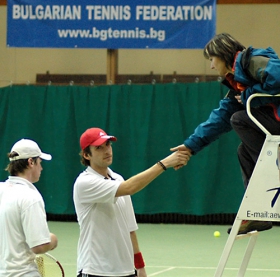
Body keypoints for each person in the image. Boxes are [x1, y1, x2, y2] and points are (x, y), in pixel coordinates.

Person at [171, 33, 280, 235]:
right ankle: (258, 212)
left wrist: (249, 94)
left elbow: (278, 77)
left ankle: (274, 175)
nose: (211, 66)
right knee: (243, 151)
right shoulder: (236, 82)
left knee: (239, 119)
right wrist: (190, 146)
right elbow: (219, 119)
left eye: (212, 59)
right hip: (273, 124)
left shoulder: (253, 61)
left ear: (223, 55)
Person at [73, 127, 190, 277]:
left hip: (126, 271)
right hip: (95, 270)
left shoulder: (117, 178)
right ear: (86, 155)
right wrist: (164, 163)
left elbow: (129, 227)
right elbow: (130, 187)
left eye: (108, 145)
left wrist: (140, 266)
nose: (107, 151)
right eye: (99, 148)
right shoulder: (85, 183)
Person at [0, 139, 58, 277]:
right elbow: (39, 246)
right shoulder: (31, 197)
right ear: (31, 162)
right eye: (40, 163)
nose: (41, 168)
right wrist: (52, 240)